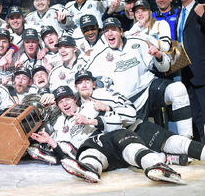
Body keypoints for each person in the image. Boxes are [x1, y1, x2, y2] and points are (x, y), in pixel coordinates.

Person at [30, 85, 185, 184]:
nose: (64, 103)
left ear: (75, 100)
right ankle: (89, 169)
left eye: (67, 99)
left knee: (129, 147)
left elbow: (117, 122)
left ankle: (162, 163)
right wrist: (51, 142)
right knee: (85, 154)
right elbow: (69, 152)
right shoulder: (60, 125)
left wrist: (101, 113)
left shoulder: (91, 106)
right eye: (60, 102)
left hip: (115, 140)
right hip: (97, 153)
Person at [84, 17, 192, 138]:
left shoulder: (139, 42)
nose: (109, 33)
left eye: (113, 29)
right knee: (148, 144)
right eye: (106, 31)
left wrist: (158, 56)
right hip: (127, 104)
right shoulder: (98, 56)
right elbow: (83, 79)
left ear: (121, 31)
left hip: (148, 89)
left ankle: (187, 138)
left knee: (177, 89)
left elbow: (165, 67)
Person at [74, 69, 205, 166]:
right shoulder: (76, 108)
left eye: (87, 81)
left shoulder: (103, 94)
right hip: (116, 146)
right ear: (75, 86)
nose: (84, 85)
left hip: (136, 129)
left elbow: (131, 113)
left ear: (94, 84)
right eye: (80, 83)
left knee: (178, 143)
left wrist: (108, 108)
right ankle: (168, 159)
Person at [175, 0, 205, 143]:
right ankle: (202, 147)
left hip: (202, 70)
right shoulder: (180, 13)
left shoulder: (201, 9)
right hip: (186, 70)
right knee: (195, 113)